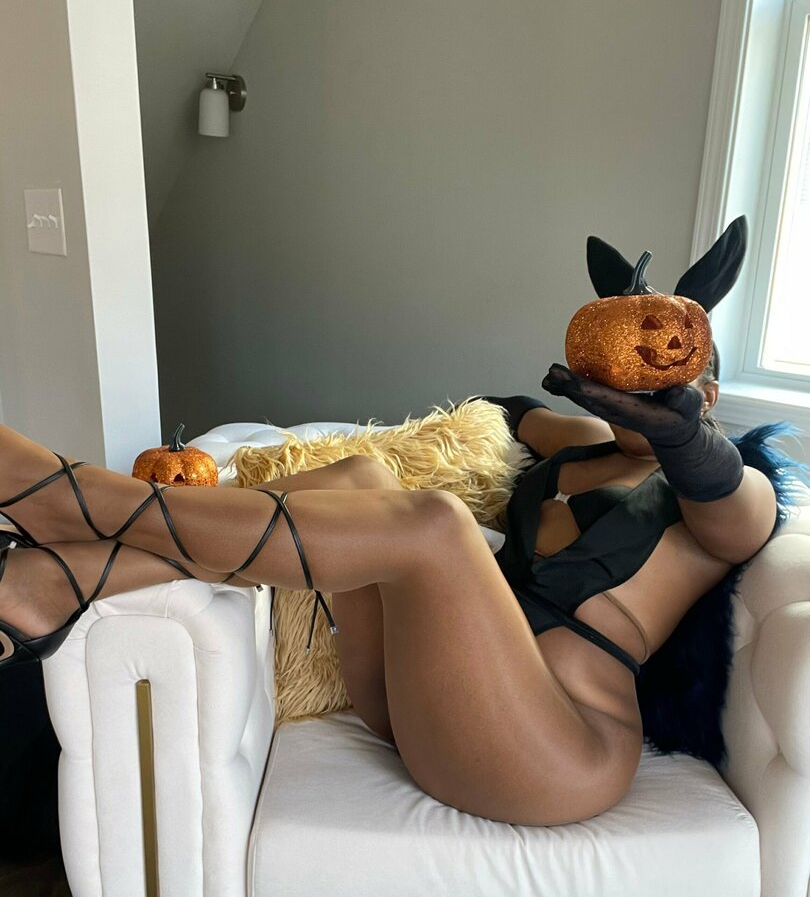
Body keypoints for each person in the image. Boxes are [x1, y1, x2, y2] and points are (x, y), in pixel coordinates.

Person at [0, 220, 780, 828]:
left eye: (670, 386)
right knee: (361, 479)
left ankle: (74, 497)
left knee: (438, 523)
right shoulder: (585, 442)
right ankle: (63, 579)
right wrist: (569, 401)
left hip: (556, 752)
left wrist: (682, 433)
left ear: (706, 396)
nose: (645, 402)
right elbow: (505, 411)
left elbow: (731, 505)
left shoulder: (727, 493)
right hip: (427, 699)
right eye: (631, 384)